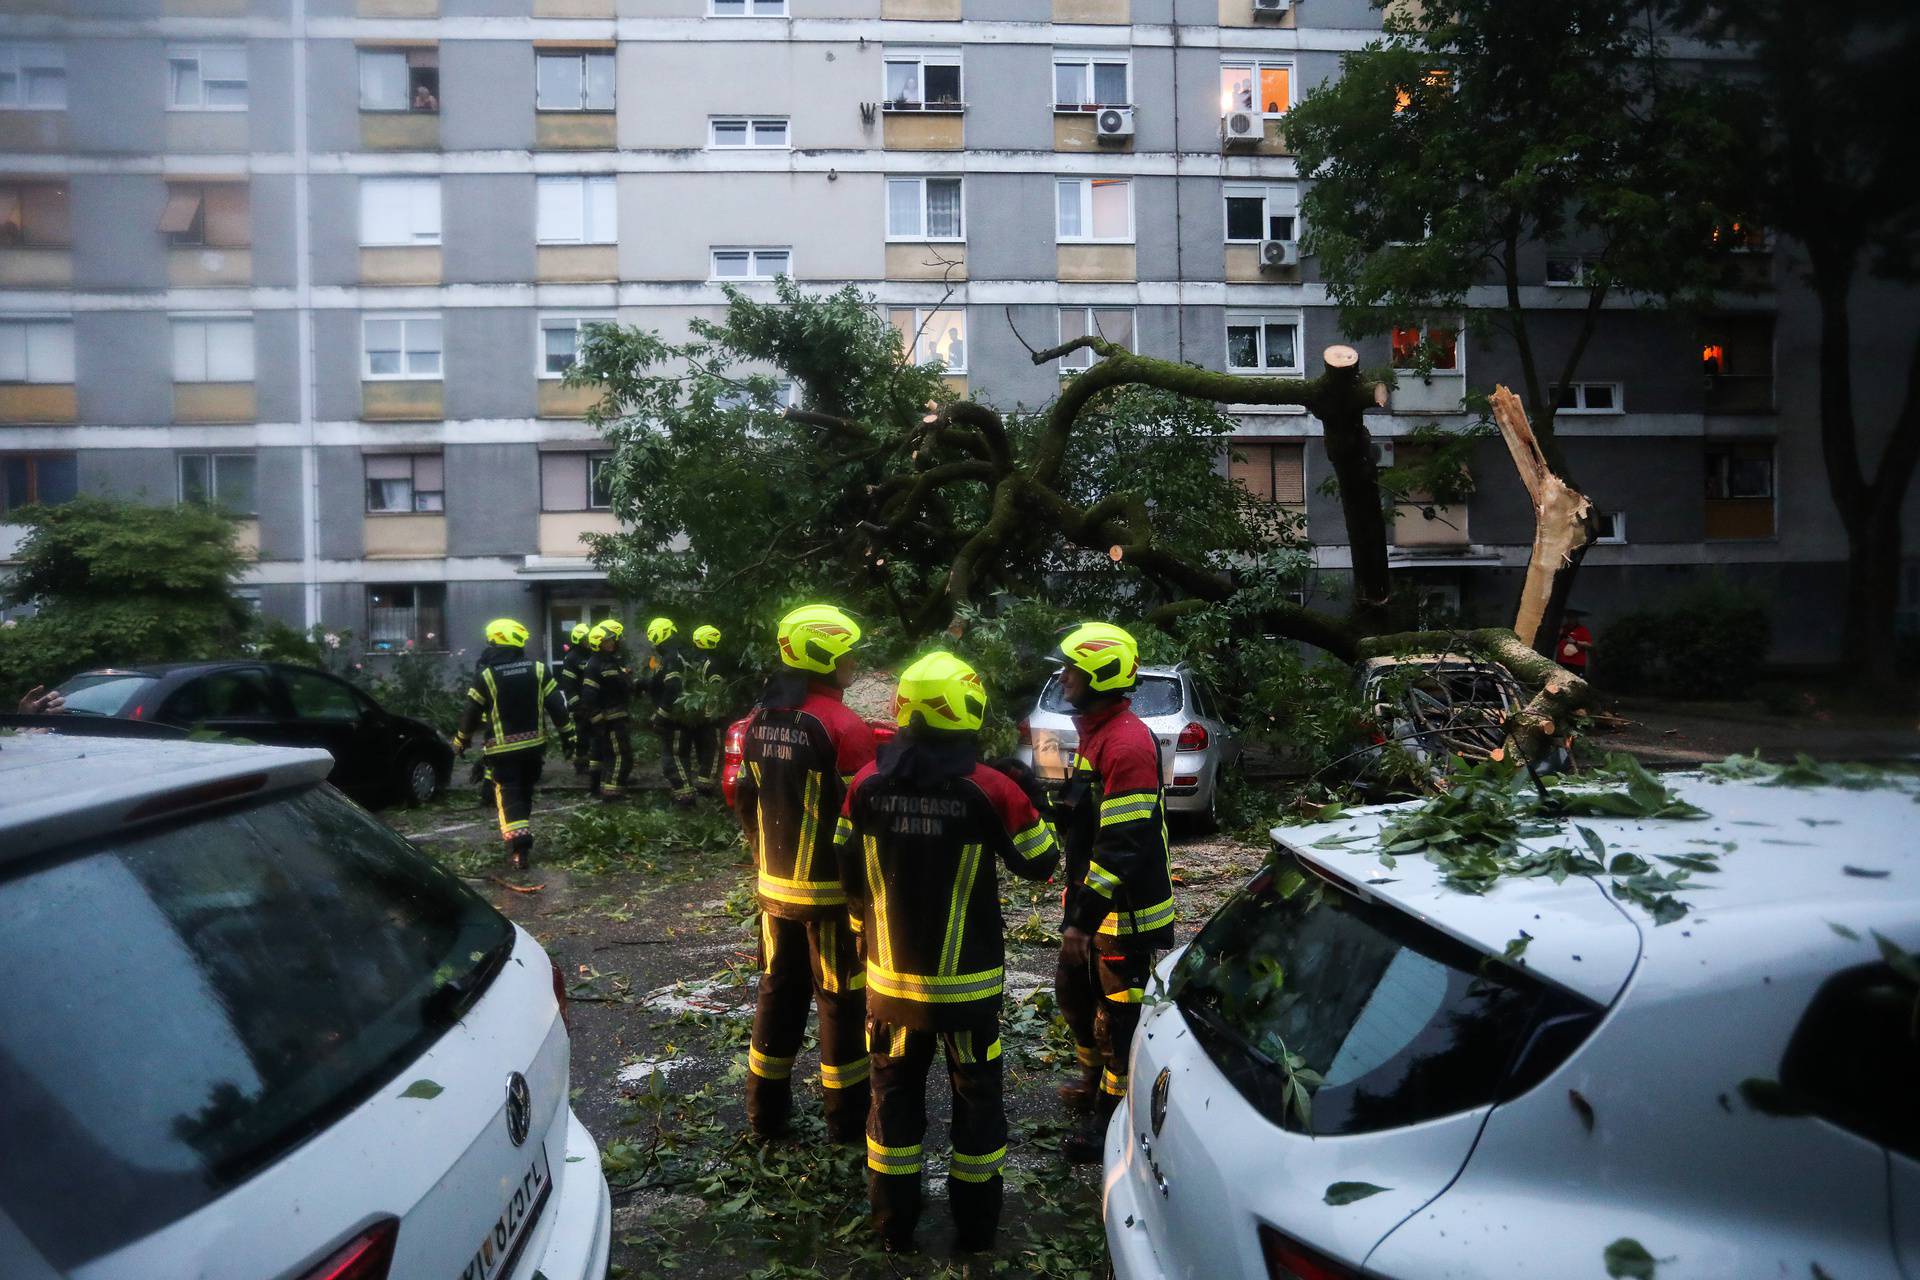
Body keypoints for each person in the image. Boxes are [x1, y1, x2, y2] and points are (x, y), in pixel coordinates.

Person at [835, 651, 1059, 1254]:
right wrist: (1034, 795)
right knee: (978, 1102)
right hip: (968, 991)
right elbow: (1042, 862)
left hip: (890, 984)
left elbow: (844, 866)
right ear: (968, 707)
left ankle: (893, 1226)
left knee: (893, 1100)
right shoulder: (990, 788)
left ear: (904, 708)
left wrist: (863, 926)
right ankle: (978, 1229)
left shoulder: (865, 784)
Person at [733, 604, 876, 1144]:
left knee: (778, 990)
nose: (854, 661)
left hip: (774, 891)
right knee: (841, 1000)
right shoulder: (844, 727)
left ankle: (764, 1116)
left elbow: (747, 802)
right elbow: (858, 826)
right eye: (847, 653)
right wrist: (865, 902)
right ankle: (845, 1123)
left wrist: (764, 861)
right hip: (831, 898)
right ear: (826, 656)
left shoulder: (760, 720)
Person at [1048, 621, 1176, 1163]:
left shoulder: (1124, 744)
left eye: (1072, 668)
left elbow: (1121, 848)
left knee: (1118, 1020)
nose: (1063, 676)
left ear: (1097, 676)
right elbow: (1085, 817)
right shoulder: (1095, 731)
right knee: (1072, 997)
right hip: (1092, 905)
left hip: (1123, 913)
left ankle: (1110, 1119)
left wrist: (1082, 919)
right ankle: (1090, 1076)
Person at [450, 618, 576, 871]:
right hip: (533, 748)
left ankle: (519, 848)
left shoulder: (486, 675)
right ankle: (522, 837)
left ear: (496, 641)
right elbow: (557, 708)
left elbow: (470, 714)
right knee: (525, 791)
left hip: (501, 751)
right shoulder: (539, 669)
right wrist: (569, 738)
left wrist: (460, 741)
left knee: (508, 795)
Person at [579, 619, 637, 800]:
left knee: (612, 756)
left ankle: (609, 790)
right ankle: (612, 793)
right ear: (599, 643)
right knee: (621, 756)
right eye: (608, 640)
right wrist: (597, 719)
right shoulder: (601, 664)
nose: (613, 642)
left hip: (613, 718)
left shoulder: (605, 661)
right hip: (612, 719)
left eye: (612, 640)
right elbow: (590, 695)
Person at [645, 616, 697, 807]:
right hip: (683, 715)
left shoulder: (671, 657)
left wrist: (661, 714)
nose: (652, 644)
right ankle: (683, 795)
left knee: (673, 759)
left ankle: (685, 799)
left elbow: (673, 688)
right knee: (680, 756)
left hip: (675, 718)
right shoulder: (679, 653)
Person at [690, 623, 728, 794]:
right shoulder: (714, 664)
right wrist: (713, 714)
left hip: (700, 714)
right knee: (714, 749)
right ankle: (706, 786)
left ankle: (704, 781)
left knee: (705, 748)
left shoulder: (699, 661)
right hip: (712, 715)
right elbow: (715, 691)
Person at [558, 621, 594, 774]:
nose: (589, 642)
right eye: (586, 639)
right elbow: (568, 685)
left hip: (592, 703)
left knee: (596, 735)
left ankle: (595, 764)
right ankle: (581, 765)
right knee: (582, 736)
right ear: (579, 640)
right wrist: (577, 705)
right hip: (580, 705)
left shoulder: (591, 655)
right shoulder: (572, 658)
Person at [1557, 609, 1594, 676]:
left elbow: (1589, 645)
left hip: (1576, 665)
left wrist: (1575, 642)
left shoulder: (1583, 630)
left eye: (1572, 617)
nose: (1570, 619)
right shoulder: (1563, 629)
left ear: (1576, 618)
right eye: (1568, 617)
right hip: (1562, 662)